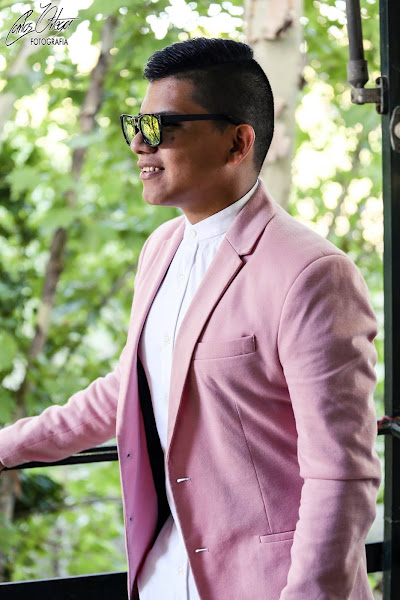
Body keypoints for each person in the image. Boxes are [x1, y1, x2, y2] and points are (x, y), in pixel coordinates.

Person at [0, 37, 381, 600]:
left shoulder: (313, 273)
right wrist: (7, 446)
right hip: (161, 575)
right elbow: (133, 387)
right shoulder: (162, 248)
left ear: (237, 142)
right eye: (137, 124)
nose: (140, 143)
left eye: (163, 127)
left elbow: (341, 474)